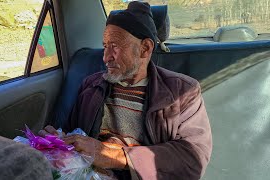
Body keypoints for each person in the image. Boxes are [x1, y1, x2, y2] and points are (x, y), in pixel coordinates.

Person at [39, 1, 212, 179]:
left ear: (145, 48)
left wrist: (111, 155)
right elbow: (74, 133)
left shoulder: (183, 91)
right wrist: (60, 141)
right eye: (105, 46)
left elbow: (193, 158)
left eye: (115, 46)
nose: (106, 57)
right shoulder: (91, 85)